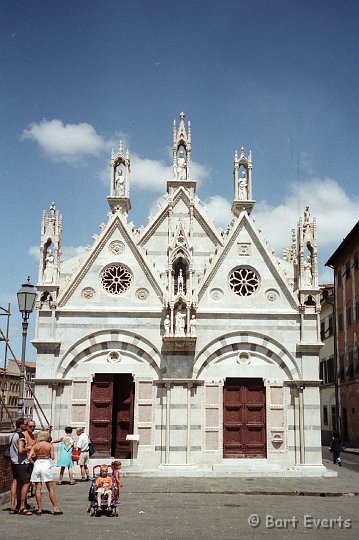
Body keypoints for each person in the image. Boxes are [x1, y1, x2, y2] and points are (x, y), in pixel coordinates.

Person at [28, 430, 63, 515]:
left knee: (38, 488)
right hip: (46, 464)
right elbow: (53, 457)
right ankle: (55, 508)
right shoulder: (49, 445)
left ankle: (39, 509)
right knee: (50, 488)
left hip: (37, 464)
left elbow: (29, 457)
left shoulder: (35, 445)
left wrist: (34, 463)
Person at [9, 417, 32, 515]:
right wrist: (29, 448)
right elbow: (21, 450)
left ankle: (13, 506)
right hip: (21, 462)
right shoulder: (21, 435)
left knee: (15, 482)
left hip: (13, 461)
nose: (27, 426)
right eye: (25, 424)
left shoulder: (12, 434)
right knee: (26, 483)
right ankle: (22, 506)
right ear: (21, 425)